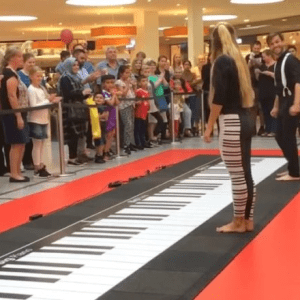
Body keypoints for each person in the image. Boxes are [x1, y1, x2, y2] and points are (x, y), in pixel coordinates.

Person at [204, 22, 256, 233]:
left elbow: (219, 97)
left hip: (231, 121)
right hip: (245, 117)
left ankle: (237, 221)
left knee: (237, 175)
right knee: (245, 173)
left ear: (212, 42)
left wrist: (208, 127)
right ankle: (247, 220)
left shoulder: (221, 61)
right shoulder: (238, 60)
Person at [267, 32, 300, 181]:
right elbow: (279, 89)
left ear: (282, 41)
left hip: (292, 101)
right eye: (272, 43)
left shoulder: (290, 60)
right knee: (280, 135)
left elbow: (298, 83)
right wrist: (276, 107)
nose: (275, 45)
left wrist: (296, 104)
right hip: (284, 101)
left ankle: (294, 172)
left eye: (277, 42)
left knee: (288, 137)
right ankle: (293, 167)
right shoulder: (279, 62)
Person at [0, 47, 30, 182]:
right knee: (16, 143)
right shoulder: (9, 75)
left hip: (20, 112)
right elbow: (12, 96)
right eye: (20, 57)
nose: (21, 60)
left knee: (21, 143)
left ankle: (17, 171)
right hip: (12, 114)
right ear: (12, 58)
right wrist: (18, 116)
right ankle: (14, 173)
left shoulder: (13, 74)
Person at [27, 66, 61, 177]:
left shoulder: (41, 88)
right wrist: (48, 100)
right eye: (37, 76)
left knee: (41, 144)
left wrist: (51, 100)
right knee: (37, 144)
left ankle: (40, 163)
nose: (40, 78)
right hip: (35, 119)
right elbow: (33, 105)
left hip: (43, 119)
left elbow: (43, 102)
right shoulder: (31, 89)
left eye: (41, 76)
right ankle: (37, 166)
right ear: (31, 77)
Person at [59, 57, 92, 166]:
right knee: (72, 134)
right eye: (74, 65)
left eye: (77, 65)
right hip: (70, 109)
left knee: (79, 134)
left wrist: (86, 94)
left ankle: (78, 156)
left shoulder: (77, 77)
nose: (76, 67)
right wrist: (81, 93)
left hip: (79, 108)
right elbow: (67, 94)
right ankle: (72, 157)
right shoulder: (65, 78)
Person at [18, 53, 36, 170]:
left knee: (34, 136)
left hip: (35, 110)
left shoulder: (34, 74)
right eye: (29, 62)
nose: (32, 65)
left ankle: (33, 159)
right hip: (25, 108)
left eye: (33, 62)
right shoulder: (19, 75)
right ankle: (25, 161)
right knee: (26, 137)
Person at [140, 64, 164, 146]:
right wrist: (160, 78)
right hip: (146, 103)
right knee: (148, 121)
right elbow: (152, 86)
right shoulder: (142, 80)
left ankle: (153, 136)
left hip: (152, 102)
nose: (147, 72)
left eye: (148, 70)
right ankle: (149, 138)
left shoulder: (150, 79)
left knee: (155, 121)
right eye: (145, 71)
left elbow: (157, 87)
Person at [115, 65, 137, 155]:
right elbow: (123, 94)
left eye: (129, 73)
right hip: (124, 106)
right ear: (121, 73)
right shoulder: (119, 82)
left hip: (131, 104)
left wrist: (133, 86)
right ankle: (125, 144)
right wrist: (128, 84)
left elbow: (133, 93)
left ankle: (130, 142)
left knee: (131, 125)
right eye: (126, 73)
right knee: (127, 124)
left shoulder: (129, 82)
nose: (128, 75)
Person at [246, 41, 265, 136]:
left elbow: (264, 67)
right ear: (252, 48)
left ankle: (262, 126)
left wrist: (258, 64)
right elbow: (245, 69)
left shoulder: (263, 56)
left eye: (258, 48)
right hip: (251, 85)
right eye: (255, 48)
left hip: (261, 84)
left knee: (261, 107)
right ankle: (252, 127)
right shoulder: (248, 57)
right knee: (252, 107)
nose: (257, 50)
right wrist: (251, 61)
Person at [256, 49, 277, 137]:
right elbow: (258, 79)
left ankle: (274, 130)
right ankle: (267, 129)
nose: (263, 59)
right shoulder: (262, 66)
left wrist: (270, 73)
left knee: (273, 110)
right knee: (265, 112)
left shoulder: (276, 65)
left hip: (272, 92)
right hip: (263, 92)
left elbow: (279, 77)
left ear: (269, 56)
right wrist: (257, 73)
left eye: (264, 57)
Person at [148, 60, 169, 141]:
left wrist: (162, 78)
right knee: (155, 119)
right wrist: (160, 79)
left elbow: (166, 86)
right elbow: (154, 86)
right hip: (154, 97)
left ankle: (163, 135)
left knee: (164, 117)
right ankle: (153, 135)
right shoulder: (148, 77)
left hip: (161, 97)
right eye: (150, 66)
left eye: (154, 66)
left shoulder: (158, 76)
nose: (152, 67)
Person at [101, 75, 120, 160]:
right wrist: (114, 95)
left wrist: (114, 95)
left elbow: (117, 102)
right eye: (108, 83)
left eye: (112, 82)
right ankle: (104, 152)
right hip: (107, 114)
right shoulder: (103, 93)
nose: (110, 85)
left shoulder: (111, 93)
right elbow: (111, 103)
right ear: (103, 84)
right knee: (108, 134)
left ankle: (108, 150)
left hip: (113, 114)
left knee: (112, 133)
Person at [134, 75, 150, 149]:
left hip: (145, 112)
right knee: (138, 128)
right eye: (143, 81)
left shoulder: (147, 91)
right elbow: (135, 98)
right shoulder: (139, 91)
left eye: (146, 81)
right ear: (139, 83)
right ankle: (138, 143)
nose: (145, 83)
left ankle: (143, 142)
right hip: (138, 113)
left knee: (143, 128)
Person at [93, 92, 108, 164]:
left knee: (103, 140)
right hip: (96, 126)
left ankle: (101, 154)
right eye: (97, 97)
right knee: (98, 141)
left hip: (103, 125)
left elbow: (105, 116)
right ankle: (98, 155)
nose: (98, 99)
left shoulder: (104, 108)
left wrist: (99, 117)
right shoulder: (93, 108)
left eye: (100, 98)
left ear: (104, 100)